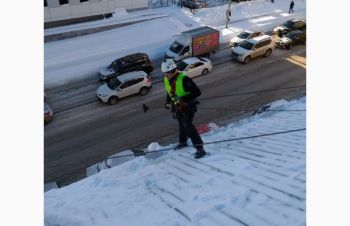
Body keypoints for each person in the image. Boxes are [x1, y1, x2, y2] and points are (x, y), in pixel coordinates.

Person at [161, 59, 206, 159]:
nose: (165, 76)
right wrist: (168, 101)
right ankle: (183, 142)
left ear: (172, 71)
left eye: (166, 73)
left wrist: (184, 99)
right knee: (181, 124)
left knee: (188, 125)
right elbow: (169, 91)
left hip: (188, 106)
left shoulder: (184, 79)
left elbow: (197, 92)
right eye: (164, 73)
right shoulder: (166, 79)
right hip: (177, 106)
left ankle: (200, 148)